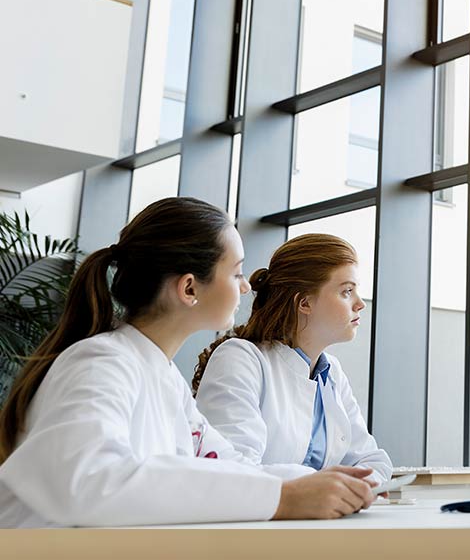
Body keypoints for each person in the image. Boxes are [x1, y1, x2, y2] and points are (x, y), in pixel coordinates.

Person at [0, 198, 376, 527]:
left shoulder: (162, 378)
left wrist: (320, 485)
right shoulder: (100, 363)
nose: (246, 287)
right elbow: (88, 480)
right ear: (190, 288)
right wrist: (283, 497)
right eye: (236, 273)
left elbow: (229, 466)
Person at [193, 234, 391, 483]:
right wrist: (322, 484)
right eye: (347, 291)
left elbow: (372, 460)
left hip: (321, 518)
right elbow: (230, 469)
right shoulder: (241, 358)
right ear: (304, 302)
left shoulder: (331, 373)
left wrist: (347, 488)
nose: (360, 303)